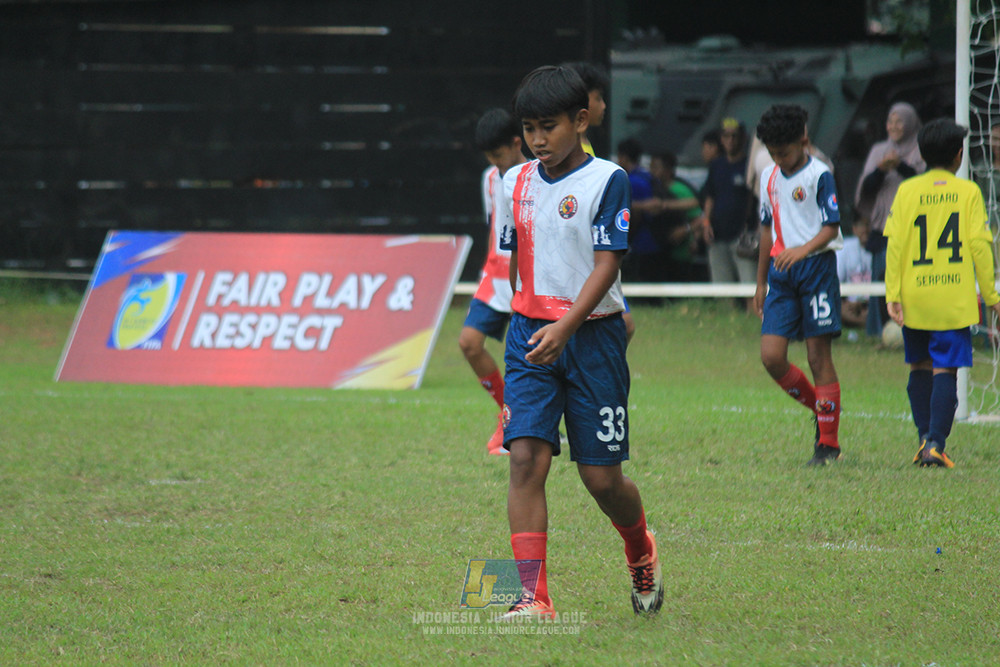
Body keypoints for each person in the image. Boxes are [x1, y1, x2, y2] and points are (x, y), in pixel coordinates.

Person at [496, 65, 662, 619]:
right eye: (529, 129)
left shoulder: (607, 179)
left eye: (550, 126)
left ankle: (640, 548)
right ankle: (531, 597)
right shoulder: (511, 182)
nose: (538, 140)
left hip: (591, 338)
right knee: (524, 461)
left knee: (602, 479)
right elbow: (513, 259)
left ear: (581, 120)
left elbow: (607, 262)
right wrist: (525, 322)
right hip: (528, 338)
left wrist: (566, 326)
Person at [884, 118, 1000, 468]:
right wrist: (992, 297)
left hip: (916, 295)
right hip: (952, 298)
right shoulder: (968, 192)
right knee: (945, 369)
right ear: (959, 155)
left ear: (921, 154)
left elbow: (896, 245)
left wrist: (893, 293)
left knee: (918, 365)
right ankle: (936, 443)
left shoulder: (907, 191)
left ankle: (923, 440)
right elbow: (980, 248)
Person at [753, 104, 845, 466]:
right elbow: (765, 228)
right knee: (771, 356)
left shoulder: (820, 175)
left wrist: (801, 249)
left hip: (816, 268)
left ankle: (828, 444)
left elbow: (832, 226)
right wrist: (760, 281)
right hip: (780, 273)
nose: (780, 159)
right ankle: (821, 410)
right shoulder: (769, 177)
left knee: (816, 355)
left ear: (804, 140)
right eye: (773, 153)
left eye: (785, 152)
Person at [459, 109, 523, 456]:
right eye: (490, 158)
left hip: (525, 280)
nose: (496, 164)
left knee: (527, 359)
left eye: (499, 155)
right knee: (469, 343)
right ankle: (506, 414)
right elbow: (495, 228)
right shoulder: (489, 178)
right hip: (494, 276)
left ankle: (527, 428)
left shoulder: (537, 177)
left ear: (517, 144)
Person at [563, 60, 636, 342]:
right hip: (578, 264)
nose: (604, 105)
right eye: (598, 98)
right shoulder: (566, 154)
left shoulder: (586, 147)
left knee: (624, 325)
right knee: (621, 325)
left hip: (595, 261)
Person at [855, 102, 925, 338]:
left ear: (911, 123)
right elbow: (866, 188)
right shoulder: (879, 150)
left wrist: (901, 166)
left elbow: (923, 181)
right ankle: (878, 332)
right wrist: (882, 169)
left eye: (899, 121)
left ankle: (913, 330)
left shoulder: (919, 149)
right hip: (883, 228)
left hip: (912, 228)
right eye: (890, 121)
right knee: (880, 279)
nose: (894, 126)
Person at [700, 117, 757, 306]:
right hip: (717, 234)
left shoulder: (749, 165)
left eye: (735, 136)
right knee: (722, 289)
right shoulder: (717, 165)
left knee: (750, 285)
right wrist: (706, 222)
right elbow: (710, 195)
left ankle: (752, 318)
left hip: (742, 235)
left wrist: (750, 227)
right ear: (721, 139)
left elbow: (753, 197)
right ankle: (727, 319)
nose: (730, 141)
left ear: (743, 138)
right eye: (726, 136)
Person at [642, 150, 705, 282]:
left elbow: (701, 216)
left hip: (682, 252)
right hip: (664, 251)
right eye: (651, 167)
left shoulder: (680, 190)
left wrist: (688, 233)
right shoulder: (654, 189)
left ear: (668, 170)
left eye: (656, 167)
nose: (652, 171)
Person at [615, 138, 661, 283]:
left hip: (641, 242)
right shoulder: (648, 176)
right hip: (658, 237)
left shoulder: (630, 181)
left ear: (624, 157)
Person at [836, 217, 873, 328]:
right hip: (849, 304)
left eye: (868, 225)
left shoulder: (881, 250)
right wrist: (848, 302)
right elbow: (837, 281)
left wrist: (864, 303)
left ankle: (866, 323)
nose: (865, 229)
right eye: (862, 225)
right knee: (840, 308)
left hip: (871, 305)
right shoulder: (845, 248)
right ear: (854, 229)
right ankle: (866, 324)